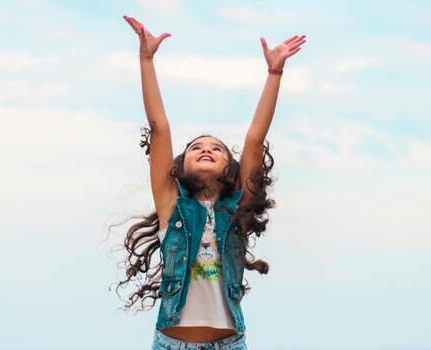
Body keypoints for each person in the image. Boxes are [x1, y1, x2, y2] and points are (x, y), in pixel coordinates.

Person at [117, 14, 305, 350]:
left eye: (216, 149)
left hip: (229, 343)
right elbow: (159, 127)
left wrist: (274, 73)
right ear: (180, 166)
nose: (206, 149)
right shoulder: (171, 206)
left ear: (230, 169)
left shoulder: (238, 209)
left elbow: (254, 140)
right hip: (172, 343)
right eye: (196, 148)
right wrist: (146, 59)